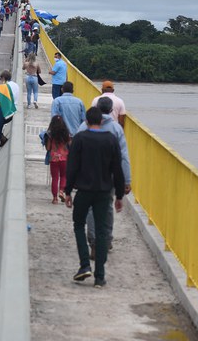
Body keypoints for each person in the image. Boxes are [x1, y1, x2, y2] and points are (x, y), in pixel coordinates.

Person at [64, 107, 124, 287]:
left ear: (87, 121)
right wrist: (119, 195)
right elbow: (117, 170)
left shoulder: (80, 139)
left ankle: (84, 266)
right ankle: (100, 276)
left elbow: (72, 167)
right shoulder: (111, 140)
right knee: (102, 231)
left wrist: (67, 191)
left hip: (84, 191)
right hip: (105, 193)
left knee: (78, 225)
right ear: (102, 121)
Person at [80, 96, 132, 258]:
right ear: (111, 110)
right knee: (107, 207)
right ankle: (107, 240)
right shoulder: (117, 129)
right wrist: (126, 180)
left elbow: (75, 152)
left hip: (87, 175)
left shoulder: (83, 126)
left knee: (90, 208)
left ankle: (93, 242)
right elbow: (123, 157)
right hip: (108, 177)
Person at [45, 115, 70, 204]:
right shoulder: (66, 133)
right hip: (64, 158)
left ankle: (55, 198)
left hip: (54, 158)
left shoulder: (50, 134)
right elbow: (70, 145)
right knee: (64, 176)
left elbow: (48, 148)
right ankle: (61, 191)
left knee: (55, 178)